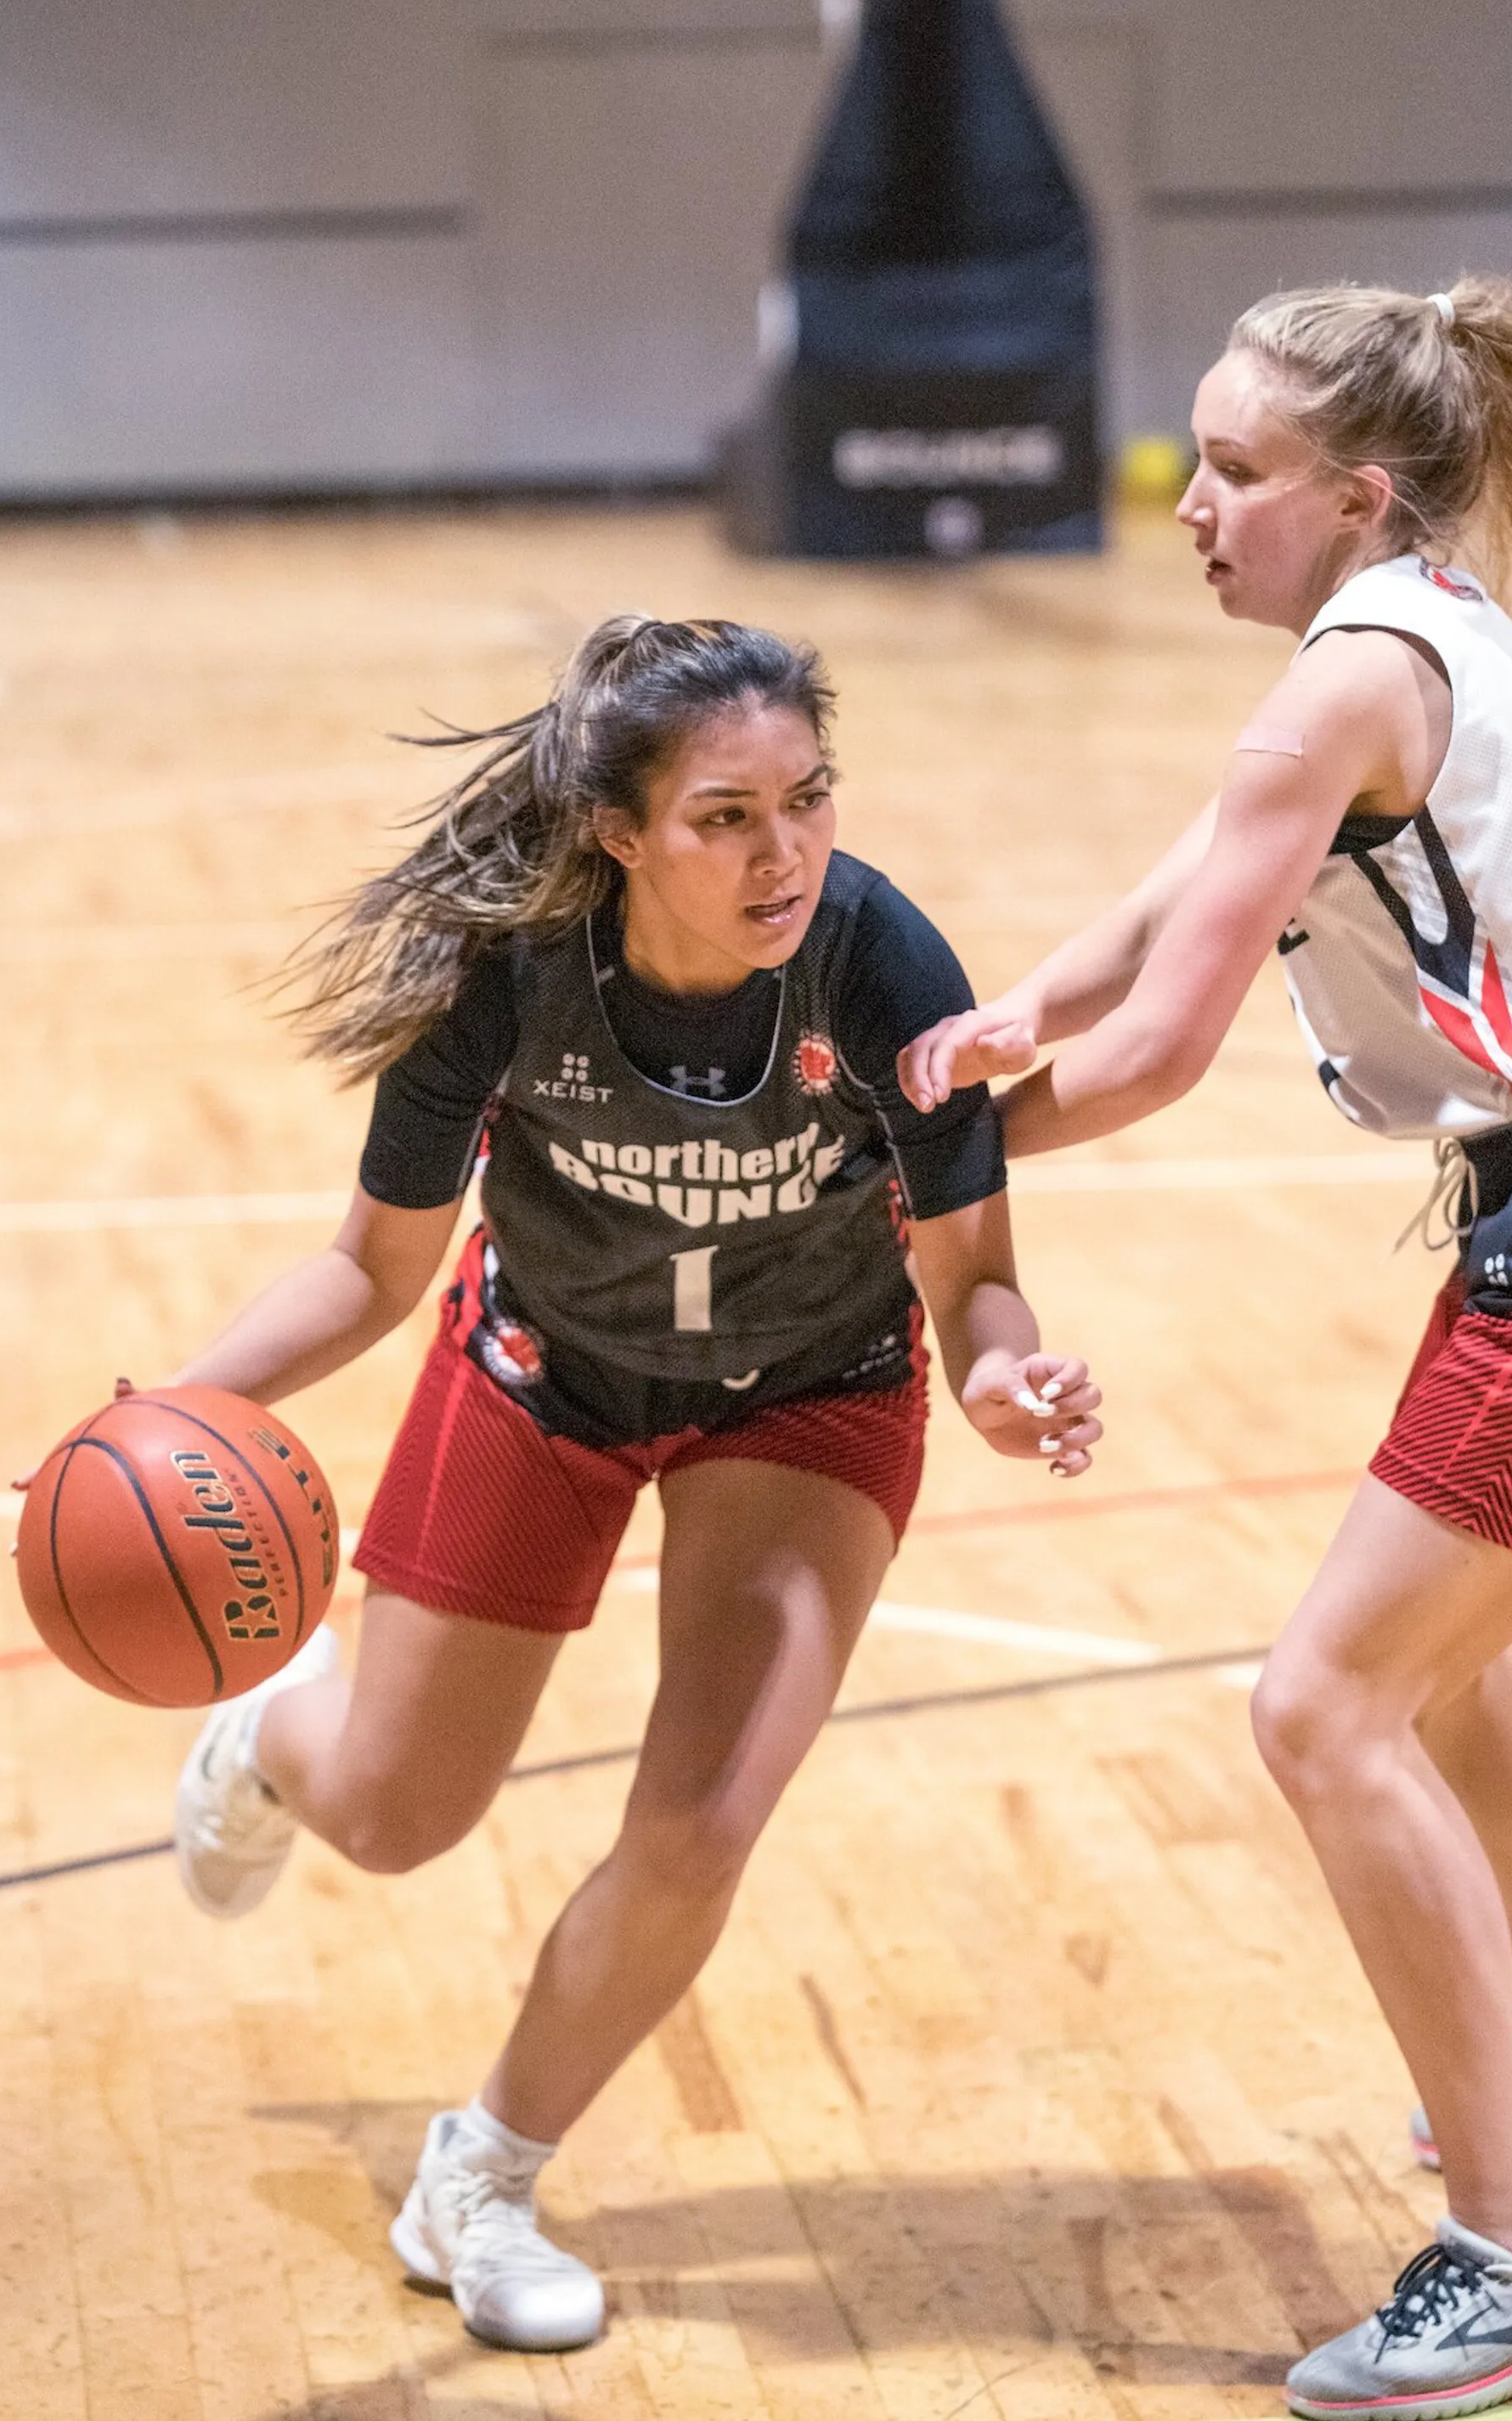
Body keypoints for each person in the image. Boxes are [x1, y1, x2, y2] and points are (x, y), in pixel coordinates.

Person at [163, 614, 1102, 2354]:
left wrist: (1000, 1375)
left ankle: (481, 2174)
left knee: (699, 1824)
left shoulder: (881, 959)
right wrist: (167, 1411)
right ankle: (272, 1735)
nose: (783, 853)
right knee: (393, 1815)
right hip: (548, 1365)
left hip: (811, 1385)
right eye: (725, 817)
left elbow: (974, 1275)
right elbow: (368, 1271)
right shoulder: (505, 976)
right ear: (621, 831)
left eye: (808, 798)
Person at [901, 277, 1512, 2420]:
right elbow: (1182, 884)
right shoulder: (1415, 620)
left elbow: (1159, 1052)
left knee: (1325, 1706)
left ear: (1355, 494)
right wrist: (1020, 1003)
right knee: (1445, 1665)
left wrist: (910, 1154)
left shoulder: (1336, 685)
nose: (1187, 504)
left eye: (1232, 469)